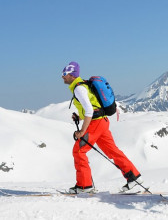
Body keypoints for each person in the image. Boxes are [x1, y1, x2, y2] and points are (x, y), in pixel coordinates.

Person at [61, 61, 145, 194]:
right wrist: (79, 117)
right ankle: (133, 177)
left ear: (72, 74)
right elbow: (93, 108)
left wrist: (82, 131)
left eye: (65, 74)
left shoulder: (79, 88)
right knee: (112, 151)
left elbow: (89, 110)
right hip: (102, 122)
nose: (62, 76)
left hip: (95, 123)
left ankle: (84, 186)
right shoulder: (82, 85)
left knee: (79, 151)